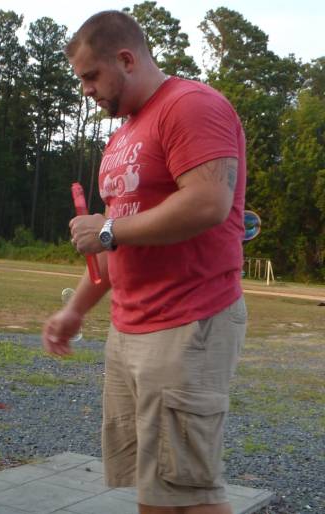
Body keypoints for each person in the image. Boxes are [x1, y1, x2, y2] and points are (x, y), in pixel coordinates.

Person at [42, 10, 247, 514]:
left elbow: (207, 202)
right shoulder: (123, 136)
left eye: (92, 76)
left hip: (187, 321)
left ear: (127, 59)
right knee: (152, 487)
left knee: (190, 491)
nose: (86, 90)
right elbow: (121, 240)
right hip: (131, 328)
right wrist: (76, 309)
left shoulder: (190, 105)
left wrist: (106, 229)